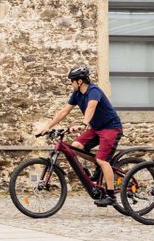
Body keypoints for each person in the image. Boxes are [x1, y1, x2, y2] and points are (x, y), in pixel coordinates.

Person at [34, 65, 122, 204]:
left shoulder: (94, 91)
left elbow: (91, 107)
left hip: (111, 128)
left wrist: (83, 124)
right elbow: (64, 111)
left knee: (102, 160)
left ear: (79, 81)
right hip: (97, 128)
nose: (71, 84)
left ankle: (111, 196)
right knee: (76, 146)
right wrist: (48, 126)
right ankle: (97, 169)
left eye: (72, 81)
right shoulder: (77, 94)